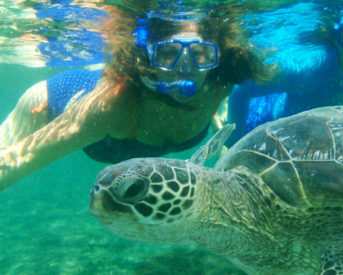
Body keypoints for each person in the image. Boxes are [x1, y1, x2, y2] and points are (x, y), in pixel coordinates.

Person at [0, 5, 273, 191]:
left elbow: (221, 96)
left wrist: (218, 121)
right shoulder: (112, 105)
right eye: (169, 53)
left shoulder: (219, 84)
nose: (185, 67)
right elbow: (19, 160)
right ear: (147, 58)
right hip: (52, 99)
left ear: (215, 59)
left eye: (200, 54)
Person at [224, 3, 343, 146]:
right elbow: (241, 90)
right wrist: (233, 141)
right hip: (270, 128)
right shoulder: (306, 70)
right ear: (336, 39)